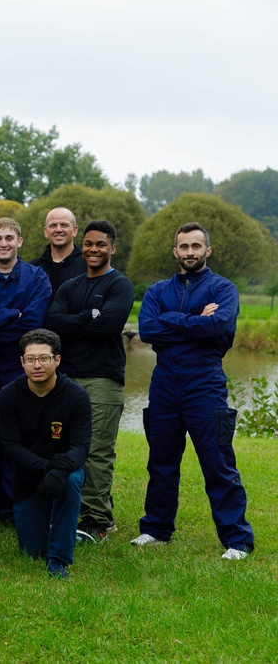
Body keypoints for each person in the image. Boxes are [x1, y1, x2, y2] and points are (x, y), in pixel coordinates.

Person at [133, 222, 254, 560]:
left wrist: (173, 320)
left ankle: (237, 540)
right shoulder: (158, 290)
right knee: (161, 462)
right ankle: (155, 530)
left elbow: (217, 325)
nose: (189, 252)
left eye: (195, 247)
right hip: (165, 386)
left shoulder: (223, 289)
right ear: (175, 251)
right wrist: (193, 319)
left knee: (217, 463)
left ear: (207, 250)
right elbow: (146, 329)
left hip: (205, 384)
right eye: (183, 247)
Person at [44, 220, 134, 542]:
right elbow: (52, 323)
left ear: (112, 248)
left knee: (96, 451)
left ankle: (98, 521)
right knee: (64, 446)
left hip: (103, 379)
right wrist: (87, 316)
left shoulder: (119, 285)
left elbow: (108, 327)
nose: (94, 249)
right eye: (89, 244)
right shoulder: (71, 286)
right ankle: (70, 511)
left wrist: (75, 324)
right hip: (66, 379)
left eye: (101, 244)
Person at [0, 218, 51, 523]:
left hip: (21, 368)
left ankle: (17, 504)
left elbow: (32, 325)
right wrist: (6, 315)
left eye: (9, 238)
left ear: (20, 241)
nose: (3, 243)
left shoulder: (36, 278)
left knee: (19, 435)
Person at [0, 329, 90, 579]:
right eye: (30, 359)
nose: (37, 365)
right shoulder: (8, 395)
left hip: (65, 472)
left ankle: (59, 560)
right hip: (28, 478)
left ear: (56, 360)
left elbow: (81, 447)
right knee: (32, 552)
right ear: (22, 362)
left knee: (71, 481)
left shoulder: (77, 396)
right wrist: (48, 468)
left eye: (44, 358)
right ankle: (68, 531)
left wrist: (60, 471)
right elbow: (12, 448)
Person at [30, 207, 86, 303]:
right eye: (53, 225)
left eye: (64, 225)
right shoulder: (32, 269)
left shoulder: (88, 266)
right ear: (46, 232)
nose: (58, 230)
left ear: (75, 230)